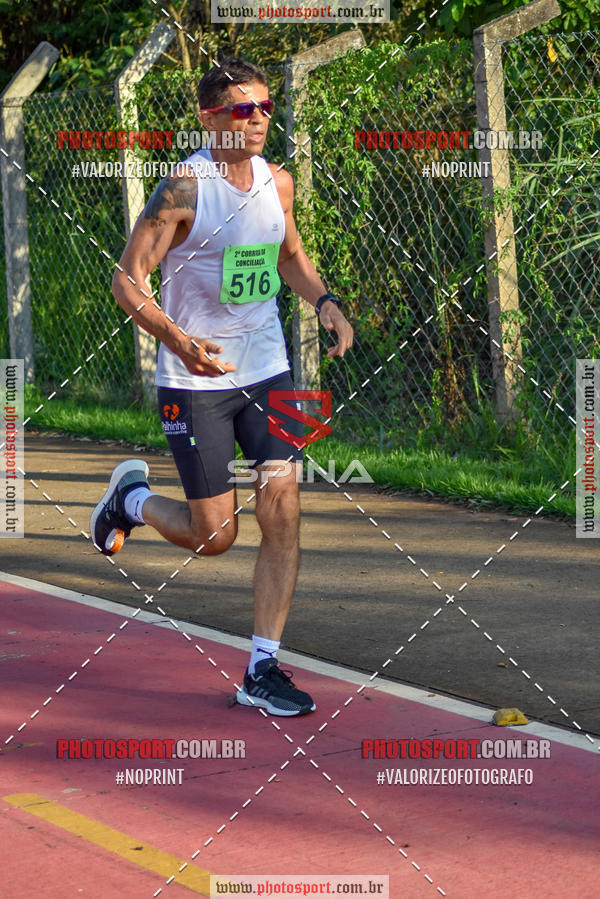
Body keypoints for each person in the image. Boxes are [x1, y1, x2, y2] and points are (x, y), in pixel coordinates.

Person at [90, 57, 353, 716]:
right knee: (216, 536)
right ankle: (132, 499)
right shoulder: (184, 188)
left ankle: (262, 667)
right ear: (211, 117)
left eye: (265, 106)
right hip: (195, 378)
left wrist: (324, 301)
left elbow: (287, 253)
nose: (259, 118)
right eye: (243, 109)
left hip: (269, 368)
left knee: (284, 508)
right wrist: (179, 340)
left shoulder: (278, 183)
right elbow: (127, 279)